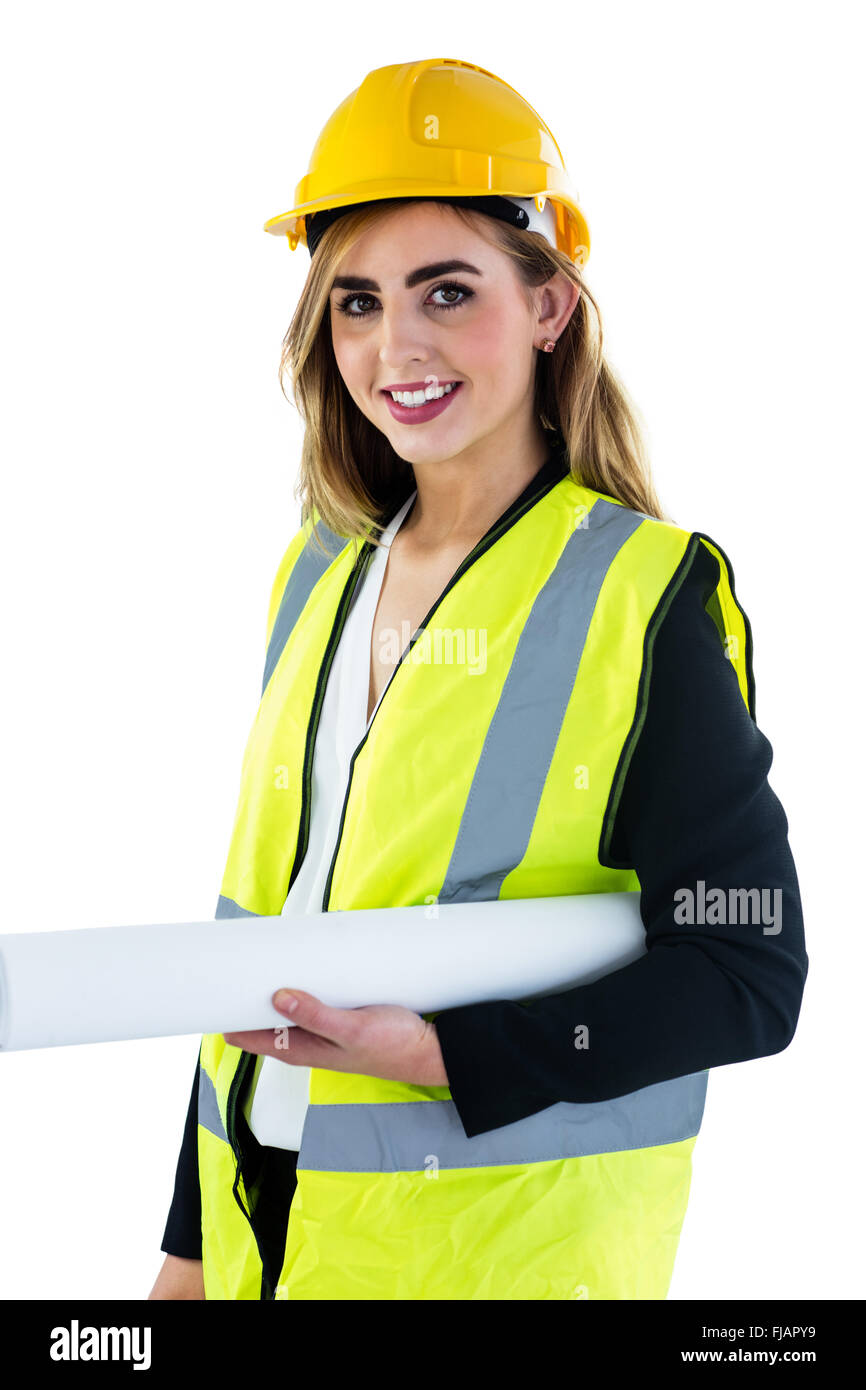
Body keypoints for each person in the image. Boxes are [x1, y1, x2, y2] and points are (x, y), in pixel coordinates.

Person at [149, 58, 807, 1302]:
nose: (395, 346)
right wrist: (185, 1255)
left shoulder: (637, 596)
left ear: (550, 303)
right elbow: (264, 932)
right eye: (354, 302)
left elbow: (747, 968)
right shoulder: (319, 571)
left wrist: (455, 1054)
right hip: (266, 1238)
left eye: (446, 292)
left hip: (500, 1264)